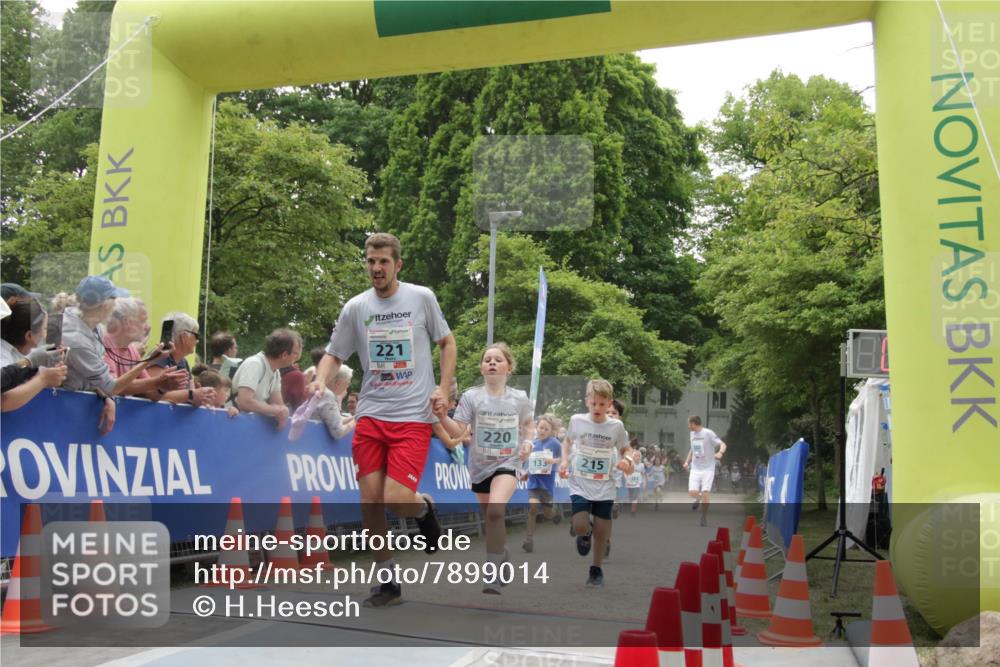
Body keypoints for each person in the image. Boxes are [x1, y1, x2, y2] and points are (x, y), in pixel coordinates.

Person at [307, 232, 455, 608]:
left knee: (394, 498)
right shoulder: (356, 307)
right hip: (371, 414)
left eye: (383, 262)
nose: (376, 268)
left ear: (397, 265)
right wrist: (320, 381)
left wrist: (443, 387)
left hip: (412, 417)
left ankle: (422, 507)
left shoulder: (421, 298)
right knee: (370, 502)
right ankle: (388, 581)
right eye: (371, 261)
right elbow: (334, 354)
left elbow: (447, 342)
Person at [435, 343, 534, 594]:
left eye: (498, 360)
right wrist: (442, 417)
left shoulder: (520, 398)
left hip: (508, 463)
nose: (492, 363)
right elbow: (460, 431)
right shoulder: (471, 397)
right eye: (487, 359)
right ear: (481, 368)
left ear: (508, 368)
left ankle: (491, 573)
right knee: (490, 517)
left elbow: (529, 425)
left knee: (494, 511)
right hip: (479, 466)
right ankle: (501, 551)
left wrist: (528, 443)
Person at [62, 276, 168, 434]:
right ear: (104, 305)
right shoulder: (77, 338)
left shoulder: (93, 326)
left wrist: (106, 398)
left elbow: (98, 382)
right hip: (64, 410)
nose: (116, 305)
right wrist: (148, 361)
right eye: (114, 299)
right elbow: (111, 386)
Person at [559, 378, 631, 588]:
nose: (597, 408)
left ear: (609, 404)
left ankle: (596, 568)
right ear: (586, 401)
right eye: (594, 403)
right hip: (580, 481)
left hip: (605, 484)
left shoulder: (616, 426)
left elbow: (626, 448)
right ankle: (584, 534)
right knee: (581, 525)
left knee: (602, 529)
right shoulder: (577, 420)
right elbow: (567, 442)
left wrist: (626, 460)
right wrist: (564, 460)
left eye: (602, 404)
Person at [103, 297, 187, 399]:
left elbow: (150, 393)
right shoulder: (103, 343)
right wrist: (157, 381)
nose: (148, 327)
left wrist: (164, 384)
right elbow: (111, 387)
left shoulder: (131, 350)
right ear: (127, 322)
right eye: (144, 321)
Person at [232, 328, 300, 428]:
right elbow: (244, 402)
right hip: (233, 424)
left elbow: (278, 404)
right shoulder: (254, 364)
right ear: (284, 355)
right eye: (296, 353)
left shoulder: (275, 372)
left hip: (248, 426)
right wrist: (276, 411)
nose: (297, 357)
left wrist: (282, 412)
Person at [146, 312, 216, 407]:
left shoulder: (183, 362)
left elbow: (191, 397)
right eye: (196, 335)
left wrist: (202, 398)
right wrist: (192, 395)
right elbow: (153, 395)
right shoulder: (160, 356)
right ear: (184, 337)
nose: (197, 340)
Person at [521, 413, 562, 554]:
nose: (542, 431)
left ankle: (555, 513)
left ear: (551, 431)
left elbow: (564, 459)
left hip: (547, 484)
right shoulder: (533, 444)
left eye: (546, 429)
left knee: (547, 513)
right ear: (536, 428)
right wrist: (526, 472)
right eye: (540, 427)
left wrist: (554, 461)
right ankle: (528, 541)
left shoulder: (555, 444)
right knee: (533, 507)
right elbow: (530, 462)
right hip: (534, 482)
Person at [684, 415, 727, 527]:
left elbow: (723, 444)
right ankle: (698, 499)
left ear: (693, 423)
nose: (688, 426)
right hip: (695, 467)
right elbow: (692, 449)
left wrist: (720, 453)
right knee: (692, 492)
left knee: (706, 492)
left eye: (689, 423)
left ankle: (703, 517)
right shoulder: (692, 434)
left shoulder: (708, 433)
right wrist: (686, 462)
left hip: (708, 468)